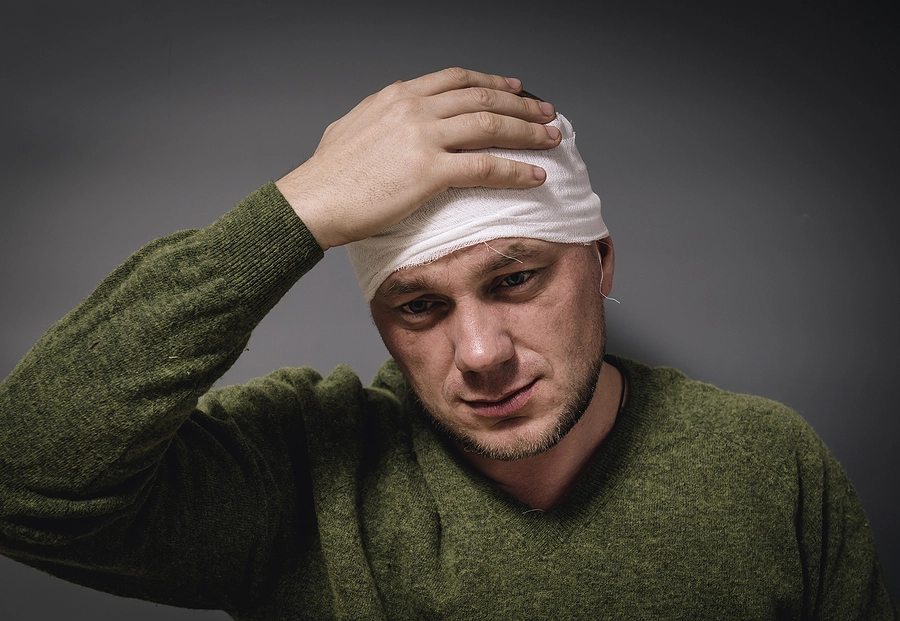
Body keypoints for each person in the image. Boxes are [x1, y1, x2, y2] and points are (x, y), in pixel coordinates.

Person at [0, 67, 896, 619]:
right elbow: (23, 475)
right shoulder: (301, 474)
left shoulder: (765, 462)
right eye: (420, 307)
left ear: (602, 260)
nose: (479, 353)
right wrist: (293, 214)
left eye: (516, 280)